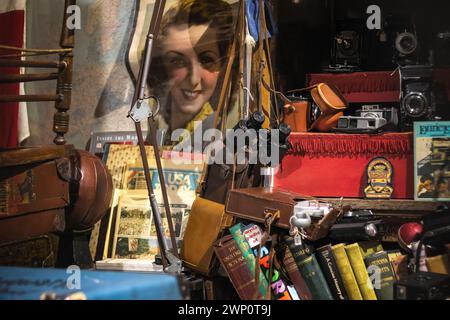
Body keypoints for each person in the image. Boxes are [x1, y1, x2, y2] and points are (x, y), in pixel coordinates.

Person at [148, 0, 234, 146]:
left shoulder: (223, 140)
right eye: (178, 61)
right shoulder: (149, 125)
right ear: (162, 65)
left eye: (206, 60)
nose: (194, 79)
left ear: (222, 66)